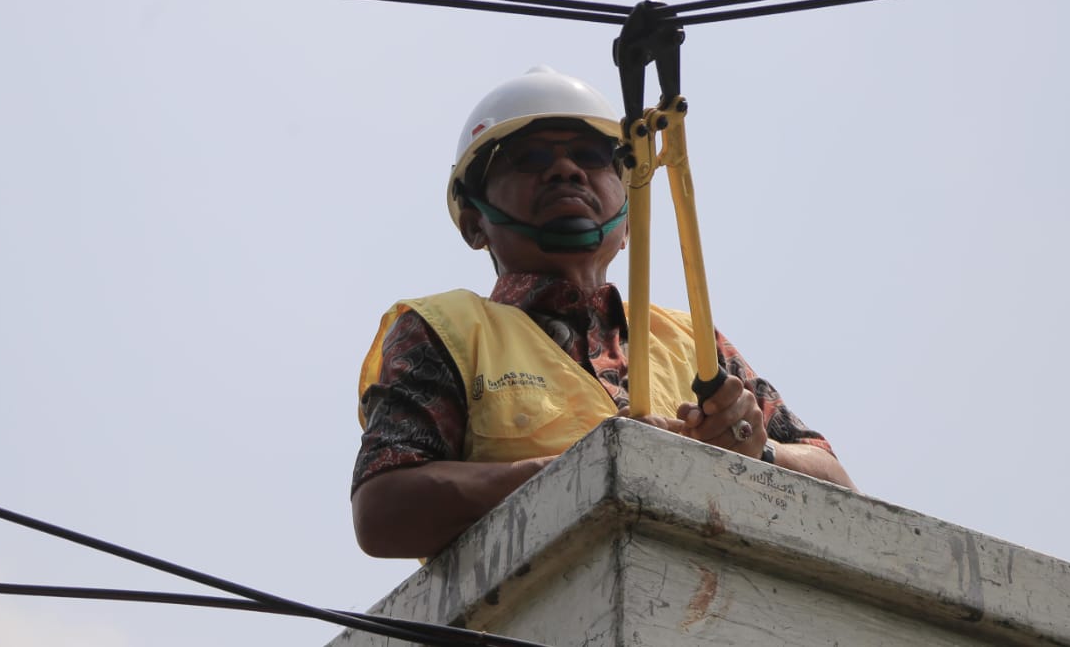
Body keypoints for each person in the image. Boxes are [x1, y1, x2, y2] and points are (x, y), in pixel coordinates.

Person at [351, 67, 853, 559]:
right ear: (473, 222)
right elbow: (383, 510)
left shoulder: (691, 339)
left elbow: (840, 492)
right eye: (529, 158)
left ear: (629, 216)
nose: (566, 170)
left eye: (592, 157)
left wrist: (757, 451)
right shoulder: (445, 329)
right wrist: (585, 467)